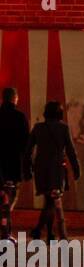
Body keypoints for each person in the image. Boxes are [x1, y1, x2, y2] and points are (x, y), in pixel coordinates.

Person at [25, 100, 80, 242]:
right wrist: (76, 168)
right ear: (59, 113)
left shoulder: (38, 128)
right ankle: (38, 230)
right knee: (51, 202)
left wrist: (28, 166)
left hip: (41, 169)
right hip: (56, 169)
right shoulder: (63, 128)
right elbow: (71, 151)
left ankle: (49, 234)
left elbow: (28, 150)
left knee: (48, 200)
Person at [0, 87, 30, 243]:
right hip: (13, 166)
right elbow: (26, 144)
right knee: (9, 202)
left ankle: (5, 230)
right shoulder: (20, 117)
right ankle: (5, 232)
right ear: (15, 98)